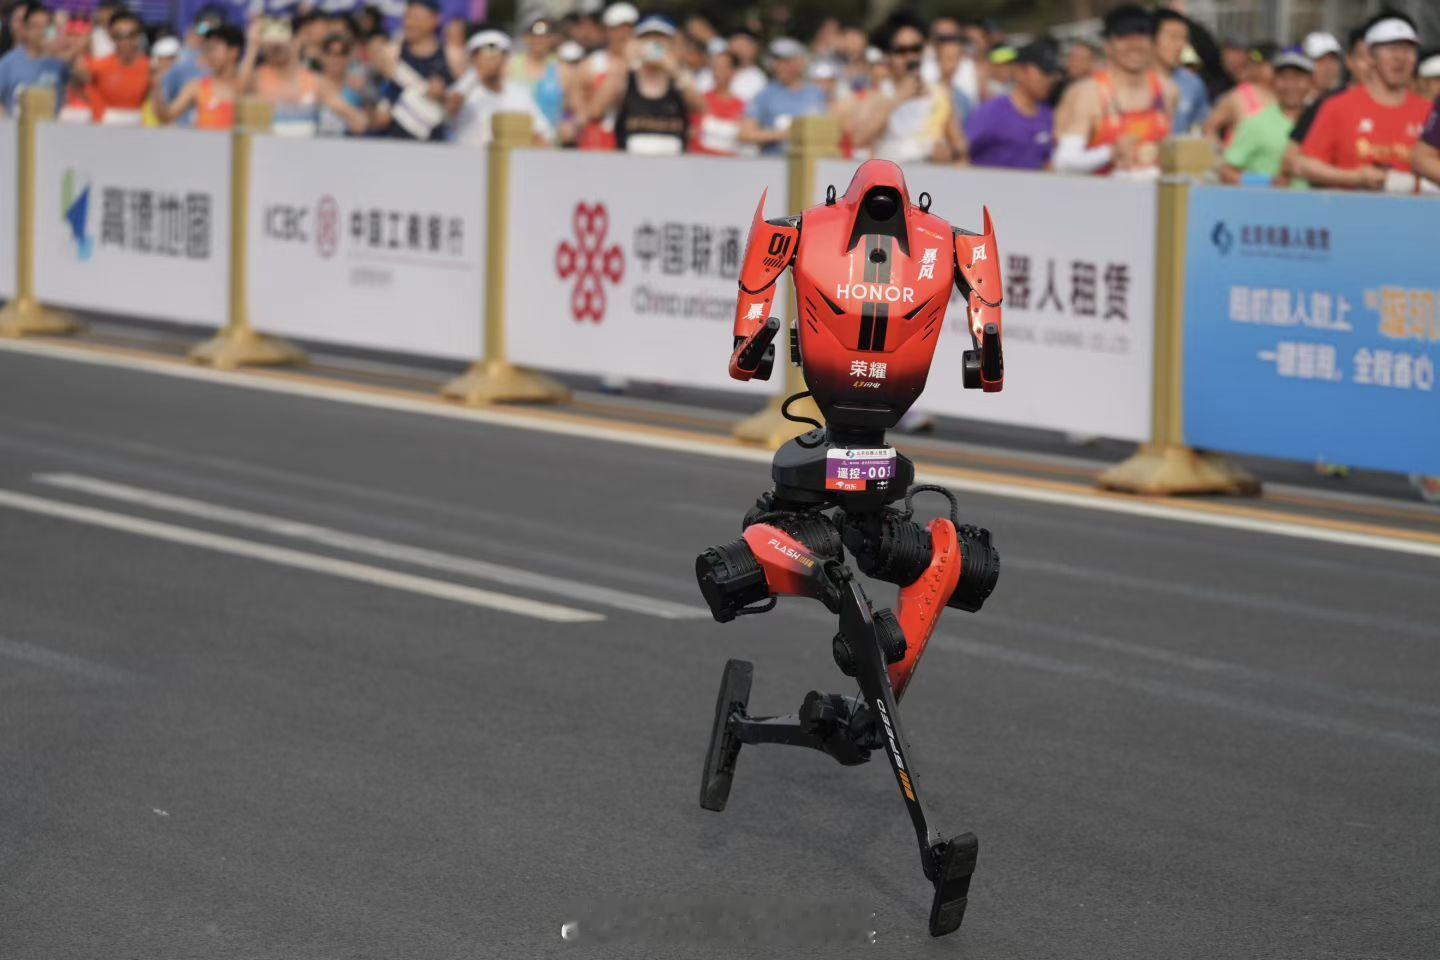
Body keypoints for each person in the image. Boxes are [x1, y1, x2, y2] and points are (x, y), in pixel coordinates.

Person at [1300, 14, 1432, 192]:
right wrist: (1355, 177)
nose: (1400, 57)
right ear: (1370, 56)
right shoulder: (1338, 106)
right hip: (1350, 214)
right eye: (1392, 49)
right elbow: (1304, 166)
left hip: (1417, 216)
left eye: (1408, 50)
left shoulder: (1429, 111)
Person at [1053, 4, 1176, 178]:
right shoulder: (1088, 94)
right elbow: (1064, 163)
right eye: (1123, 37)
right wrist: (1110, 153)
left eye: (1142, 35)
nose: (1134, 45)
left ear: (1152, 43)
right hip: (1102, 200)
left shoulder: (1168, 90)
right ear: (1108, 46)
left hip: (1156, 201)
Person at [851, 20, 967, 164]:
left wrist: (949, 154)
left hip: (929, 177)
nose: (910, 57)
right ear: (889, 56)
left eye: (915, 49)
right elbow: (859, 139)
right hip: (891, 178)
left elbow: (959, 147)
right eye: (901, 51)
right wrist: (898, 98)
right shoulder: (879, 93)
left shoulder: (939, 94)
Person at [590, 16, 702, 156]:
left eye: (661, 38)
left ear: (672, 44)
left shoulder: (679, 80)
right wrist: (625, 62)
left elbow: (701, 108)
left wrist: (675, 70)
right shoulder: (626, 79)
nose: (654, 44)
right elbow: (595, 111)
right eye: (647, 38)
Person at [1220, 49, 1313, 186]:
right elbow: (1226, 172)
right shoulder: (1255, 123)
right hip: (1269, 204)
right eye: (1284, 78)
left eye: (1298, 78)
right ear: (1274, 81)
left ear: (1310, 82)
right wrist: (1266, 182)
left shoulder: (1321, 120)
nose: (1291, 85)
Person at [448, 28, 551, 147]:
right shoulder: (464, 90)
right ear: (474, 59)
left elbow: (542, 134)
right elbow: (450, 109)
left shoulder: (519, 94)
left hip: (508, 162)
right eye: (486, 57)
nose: (492, 61)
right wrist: (476, 74)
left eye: (497, 56)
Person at [965, 41, 1059, 170]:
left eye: (1052, 74)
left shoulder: (1047, 116)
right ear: (1021, 72)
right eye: (1044, 72)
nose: (1050, 79)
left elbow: (1046, 162)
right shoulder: (991, 113)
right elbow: (963, 154)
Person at [150, 23, 257, 130]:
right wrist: (157, 87)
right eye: (207, 49)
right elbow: (166, 117)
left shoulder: (248, 85)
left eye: (213, 49)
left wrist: (253, 47)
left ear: (233, 52)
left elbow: (241, 86)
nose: (209, 54)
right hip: (205, 145)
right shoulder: (197, 87)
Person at [373, 0, 453, 141]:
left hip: (435, 144)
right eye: (407, 17)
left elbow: (458, 108)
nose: (409, 23)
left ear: (434, 20)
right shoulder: (393, 53)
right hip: (393, 142)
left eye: (416, 17)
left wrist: (443, 96)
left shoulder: (451, 57)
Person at [740, 37, 826, 156]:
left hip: (810, 164)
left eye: (786, 61)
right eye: (776, 61)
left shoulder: (816, 94)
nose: (778, 66)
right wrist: (783, 135)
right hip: (773, 162)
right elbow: (745, 134)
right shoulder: (764, 95)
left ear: (800, 62)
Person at [68, 8, 147, 123]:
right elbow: (79, 79)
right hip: (103, 133)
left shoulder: (149, 68)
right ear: (111, 36)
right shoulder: (98, 66)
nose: (125, 42)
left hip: (137, 133)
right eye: (119, 36)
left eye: (131, 35)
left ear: (139, 36)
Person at [0, 2, 67, 116]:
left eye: (45, 26)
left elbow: (81, 78)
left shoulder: (59, 62)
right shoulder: (8, 63)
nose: (41, 32)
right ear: (25, 29)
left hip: (53, 128)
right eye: (36, 26)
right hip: (18, 129)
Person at [1204, 41, 1277, 144]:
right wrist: (1221, 153)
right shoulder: (1237, 96)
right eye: (1255, 65)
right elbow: (1209, 128)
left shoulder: (1286, 97)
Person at [1154, 8, 1209, 135]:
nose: (1180, 45)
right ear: (1152, 39)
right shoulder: (1136, 81)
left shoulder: (1193, 83)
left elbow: (1200, 128)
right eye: (1173, 37)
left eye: (1184, 39)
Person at [511, 16, 564, 132]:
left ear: (553, 39)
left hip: (548, 142)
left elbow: (576, 107)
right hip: (516, 137)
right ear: (526, 37)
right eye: (534, 35)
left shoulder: (562, 69)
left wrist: (571, 124)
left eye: (545, 35)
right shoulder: (510, 66)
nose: (539, 40)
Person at [312, 32, 371, 137]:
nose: (336, 59)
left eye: (342, 53)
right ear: (322, 56)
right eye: (330, 52)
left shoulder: (357, 87)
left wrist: (364, 93)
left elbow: (362, 124)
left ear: (349, 57)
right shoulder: (311, 83)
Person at [690, 47, 744, 155]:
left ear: (734, 72)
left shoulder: (743, 107)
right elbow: (693, 134)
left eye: (723, 68)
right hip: (700, 161)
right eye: (715, 67)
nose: (717, 72)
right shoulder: (699, 101)